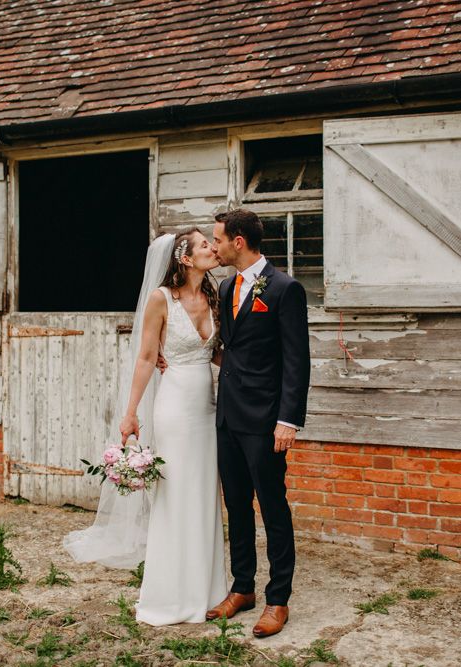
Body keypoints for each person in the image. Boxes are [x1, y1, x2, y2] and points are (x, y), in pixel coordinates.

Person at [63, 228, 228, 626]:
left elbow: (222, 353)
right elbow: (145, 358)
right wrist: (130, 412)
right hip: (173, 407)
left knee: (205, 493)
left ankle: (209, 590)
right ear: (184, 258)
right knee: (176, 496)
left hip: (207, 406)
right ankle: (170, 593)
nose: (212, 247)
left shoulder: (216, 293)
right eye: (204, 244)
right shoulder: (160, 299)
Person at [205, 208, 310, 638]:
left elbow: (296, 360)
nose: (214, 246)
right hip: (228, 416)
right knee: (236, 505)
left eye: (218, 239)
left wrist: (289, 419)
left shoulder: (285, 288)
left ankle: (278, 599)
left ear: (239, 242)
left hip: (266, 420)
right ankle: (243, 587)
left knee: (272, 507)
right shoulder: (228, 285)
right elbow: (232, 350)